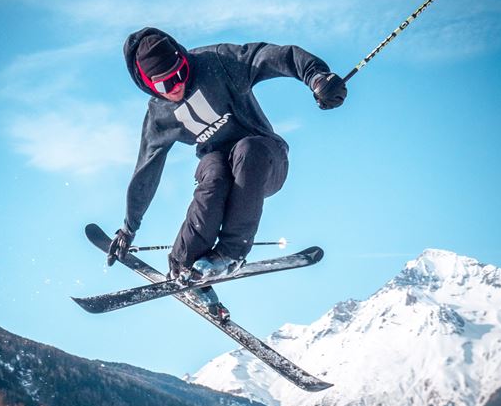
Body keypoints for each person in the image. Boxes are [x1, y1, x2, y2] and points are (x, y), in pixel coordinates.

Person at [108, 27, 347, 309]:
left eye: (180, 74)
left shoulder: (217, 61)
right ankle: (185, 265)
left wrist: (315, 76)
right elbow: (146, 170)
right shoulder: (159, 114)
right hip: (219, 164)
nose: (175, 87)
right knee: (213, 173)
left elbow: (273, 56)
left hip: (266, 161)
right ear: (148, 84)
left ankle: (230, 253)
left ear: (183, 60)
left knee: (247, 151)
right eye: (164, 85)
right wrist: (129, 227)